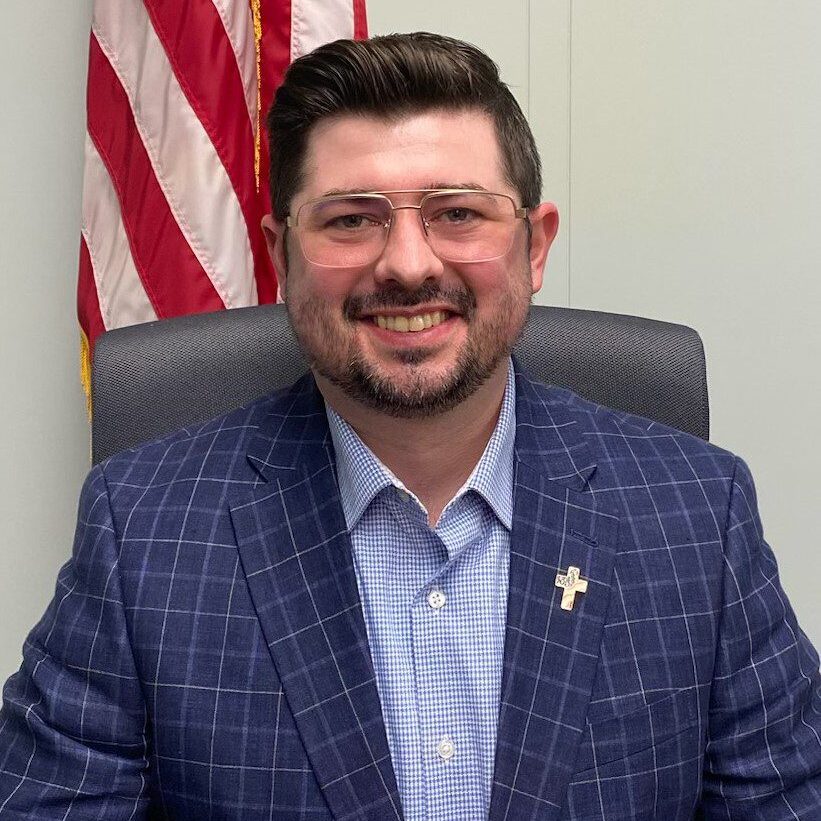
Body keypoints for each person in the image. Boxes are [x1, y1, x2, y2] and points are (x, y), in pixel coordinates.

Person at [1, 31, 819, 821]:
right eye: (350, 219)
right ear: (281, 257)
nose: (407, 263)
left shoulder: (697, 515)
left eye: (457, 213)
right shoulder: (140, 530)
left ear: (533, 248)